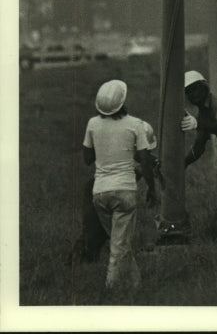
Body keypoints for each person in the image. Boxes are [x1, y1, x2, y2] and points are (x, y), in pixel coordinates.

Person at [82, 79, 158, 291]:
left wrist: (105, 147)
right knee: (120, 245)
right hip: (124, 192)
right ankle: (111, 289)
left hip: (99, 193)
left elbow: (87, 158)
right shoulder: (134, 124)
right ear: (123, 101)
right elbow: (144, 159)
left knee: (120, 243)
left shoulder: (92, 124)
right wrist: (152, 189)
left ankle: (135, 284)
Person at [181, 70, 217, 166]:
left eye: (195, 88)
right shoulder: (203, 113)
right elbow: (199, 147)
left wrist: (197, 124)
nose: (192, 94)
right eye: (188, 91)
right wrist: (182, 164)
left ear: (205, 87)